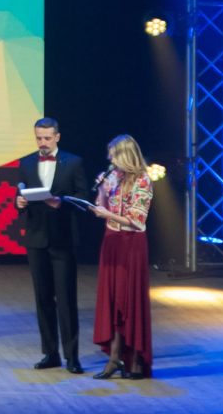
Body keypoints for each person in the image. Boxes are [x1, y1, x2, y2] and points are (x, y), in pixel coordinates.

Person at [15, 117, 88, 374]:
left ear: (57, 137)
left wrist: (61, 202)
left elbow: (83, 197)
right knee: (43, 298)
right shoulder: (26, 163)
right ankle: (50, 353)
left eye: (47, 138)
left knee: (66, 299)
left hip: (62, 239)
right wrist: (19, 202)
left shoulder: (73, 162)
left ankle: (72, 356)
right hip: (36, 239)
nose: (42, 143)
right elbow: (20, 194)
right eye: (39, 138)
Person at [91, 134, 154, 380]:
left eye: (113, 155)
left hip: (131, 245)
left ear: (125, 155)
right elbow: (101, 206)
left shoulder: (143, 180)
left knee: (129, 299)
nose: (110, 160)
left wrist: (107, 214)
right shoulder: (113, 177)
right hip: (112, 242)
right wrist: (101, 190)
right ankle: (114, 357)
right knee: (113, 300)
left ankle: (135, 358)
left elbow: (137, 221)